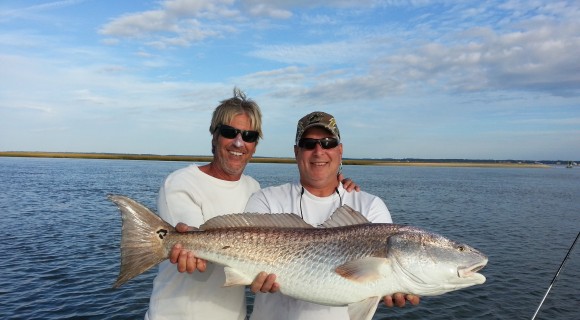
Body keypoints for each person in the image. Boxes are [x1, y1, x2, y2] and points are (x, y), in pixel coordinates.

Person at [245, 111, 420, 320]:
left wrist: (391, 290)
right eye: (309, 144)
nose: (319, 151)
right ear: (296, 152)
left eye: (328, 143)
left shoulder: (370, 206)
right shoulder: (266, 199)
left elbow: (378, 282)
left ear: (340, 150)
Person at [144, 88, 263, 320]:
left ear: (255, 146)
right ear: (215, 135)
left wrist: (340, 187)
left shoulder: (255, 188)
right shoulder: (181, 182)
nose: (239, 143)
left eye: (249, 136)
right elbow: (199, 264)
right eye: (230, 132)